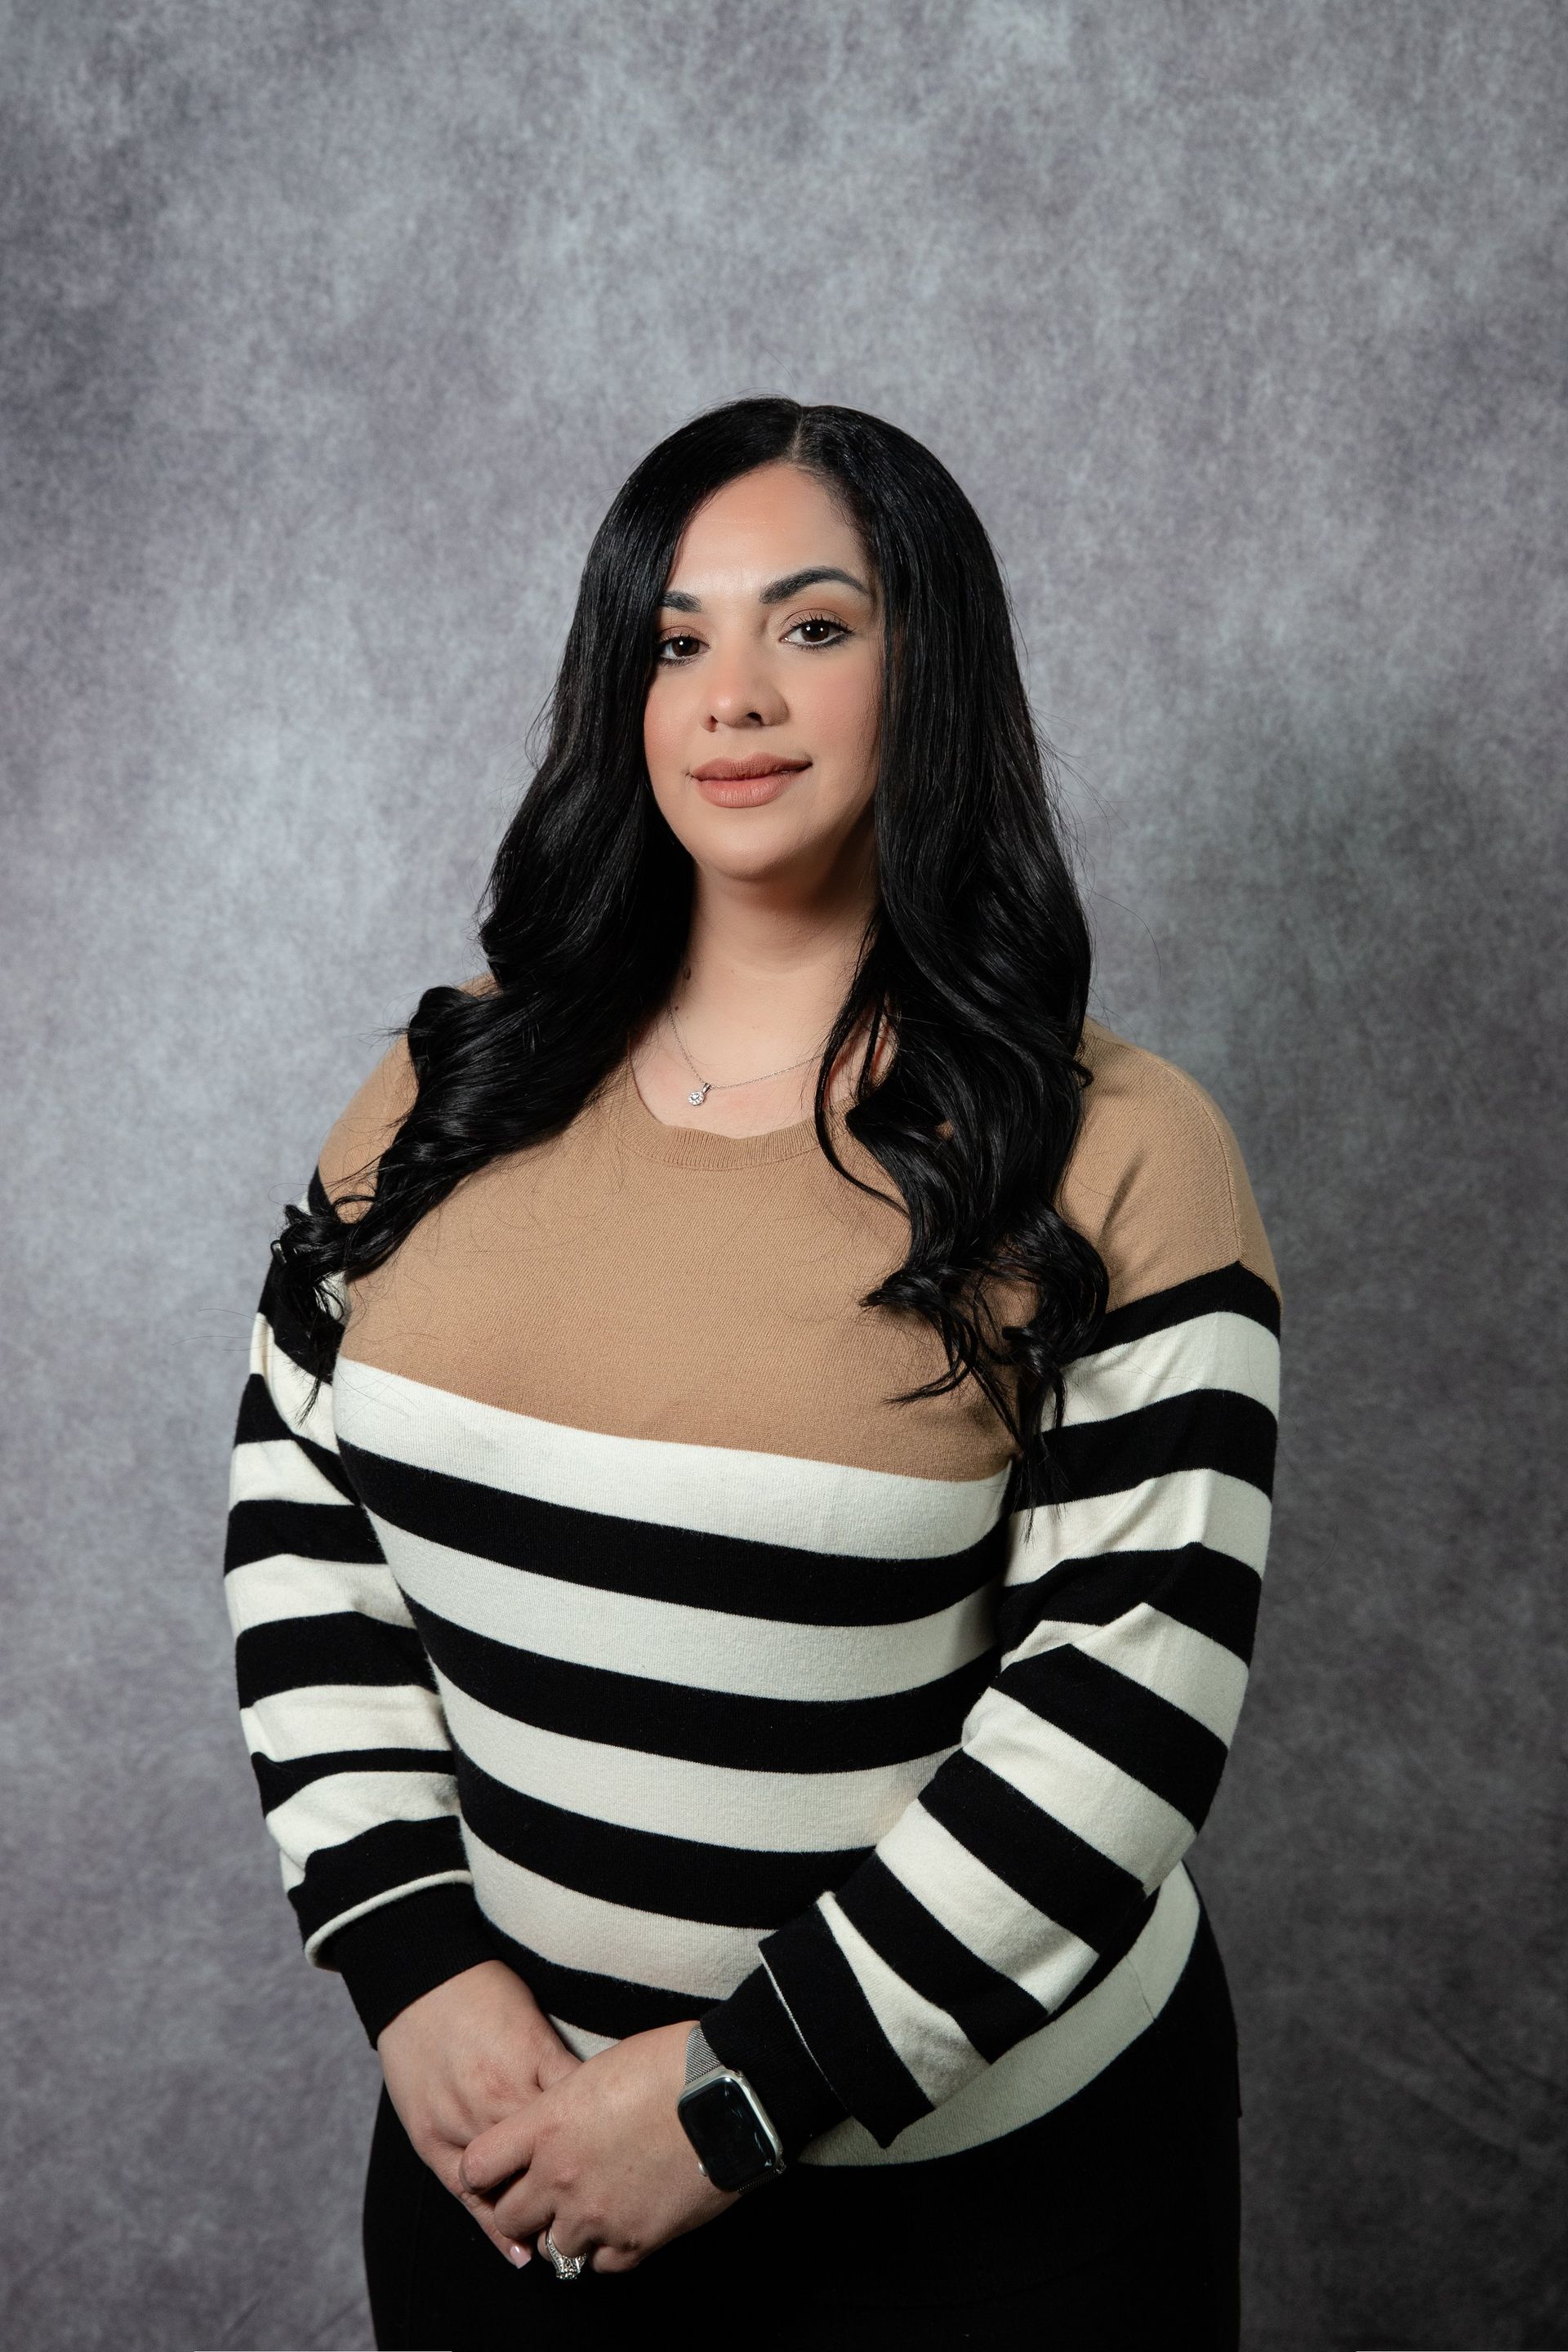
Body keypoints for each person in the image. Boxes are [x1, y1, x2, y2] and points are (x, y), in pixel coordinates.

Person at [222, 396, 1281, 2349]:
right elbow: (303, 1530)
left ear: (928, 669)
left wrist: (733, 2095)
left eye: (813, 627)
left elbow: (1118, 1713)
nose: (735, 695)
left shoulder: (1121, 1151)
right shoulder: (445, 1084)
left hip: (985, 2226)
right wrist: (411, 1962)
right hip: (509, 2167)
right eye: (676, 636)